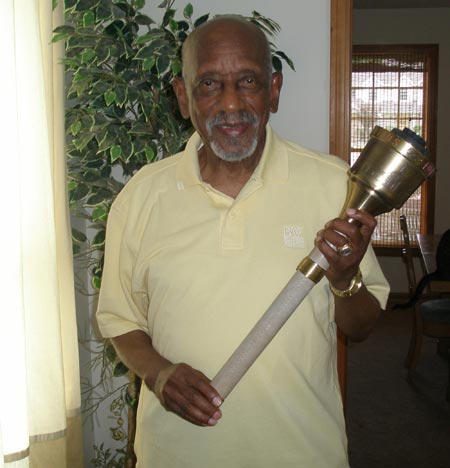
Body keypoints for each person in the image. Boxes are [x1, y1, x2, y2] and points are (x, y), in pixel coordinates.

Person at [97, 14, 390, 468]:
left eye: (247, 81)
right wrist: (159, 374)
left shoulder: (334, 186)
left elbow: (363, 326)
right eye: (210, 84)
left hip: (302, 453)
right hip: (176, 455)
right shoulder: (141, 195)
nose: (230, 104)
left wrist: (345, 279)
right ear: (183, 96)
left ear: (273, 90)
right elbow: (119, 321)